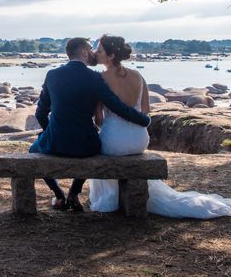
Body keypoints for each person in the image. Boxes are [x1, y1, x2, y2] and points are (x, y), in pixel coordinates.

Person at [88, 35, 231, 218]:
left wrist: (107, 127)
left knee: (98, 147)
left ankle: (108, 199)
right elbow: (145, 110)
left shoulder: (101, 79)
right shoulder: (138, 76)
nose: (95, 53)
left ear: (110, 56)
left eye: (99, 50)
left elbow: (99, 119)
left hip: (115, 141)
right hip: (140, 140)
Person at [30, 37, 151, 211]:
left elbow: (41, 112)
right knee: (93, 148)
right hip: (85, 145)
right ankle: (73, 193)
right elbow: (116, 106)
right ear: (84, 52)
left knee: (33, 150)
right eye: (91, 50)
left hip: (55, 142)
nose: (94, 53)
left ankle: (58, 195)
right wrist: (143, 120)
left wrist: (51, 131)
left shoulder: (52, 75)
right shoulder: (94, 78)